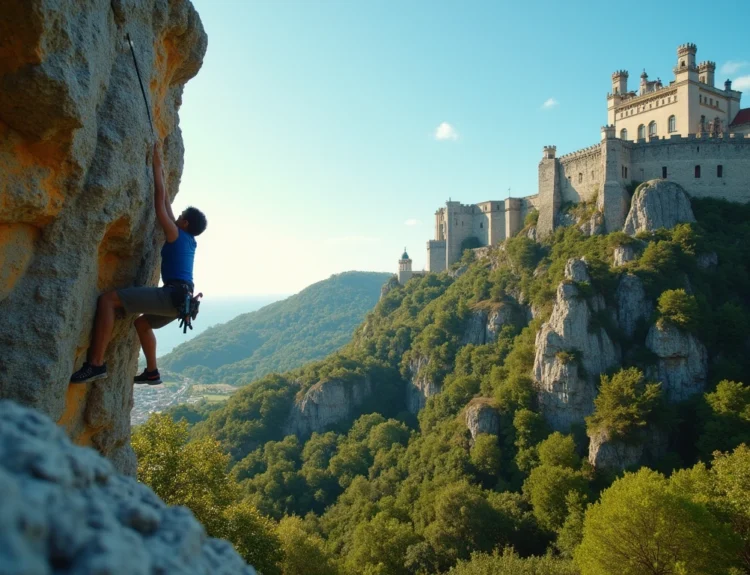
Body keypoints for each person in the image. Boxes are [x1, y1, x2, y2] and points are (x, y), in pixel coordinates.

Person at [70, 142, 207, 385]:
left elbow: (159, 205)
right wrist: (161, 170)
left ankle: (95, 364)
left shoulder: (175, 234)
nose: (176, 217)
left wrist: (156, 166)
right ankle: (152, 372)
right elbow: (166, 204)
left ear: (184, 223)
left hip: (172, 295)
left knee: (107, 300)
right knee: (142, 322)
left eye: (180, 217)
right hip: (183, 302)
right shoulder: (189, 242)